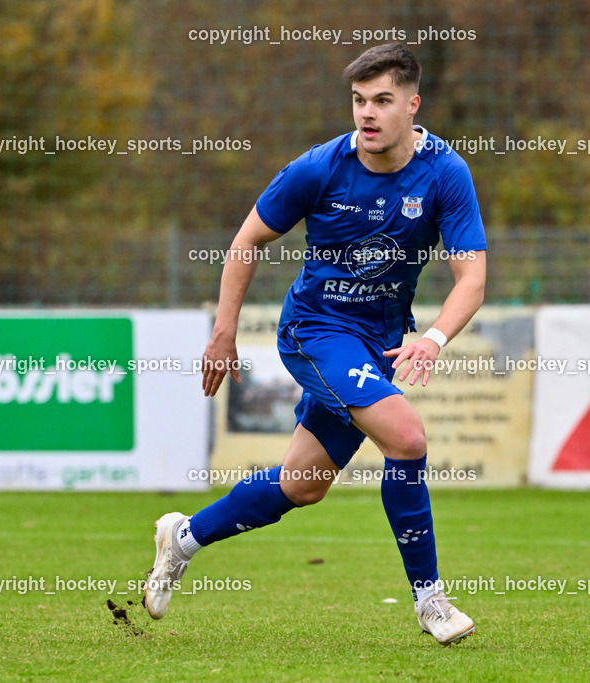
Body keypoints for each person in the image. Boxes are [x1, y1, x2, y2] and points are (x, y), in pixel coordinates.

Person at [144, 43, 487, 646]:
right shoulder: (319, 168)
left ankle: (182, 538)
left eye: (382, 100)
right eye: (359, 101)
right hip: (315, 331)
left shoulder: (445, 173)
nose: (367, 114)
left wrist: (432, 339)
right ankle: (432, 603)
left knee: (303, 484)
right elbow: (246, 241)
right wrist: (224, 333)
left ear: (413, 103)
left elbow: (473, 278)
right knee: (407, 439)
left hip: (377, 342)